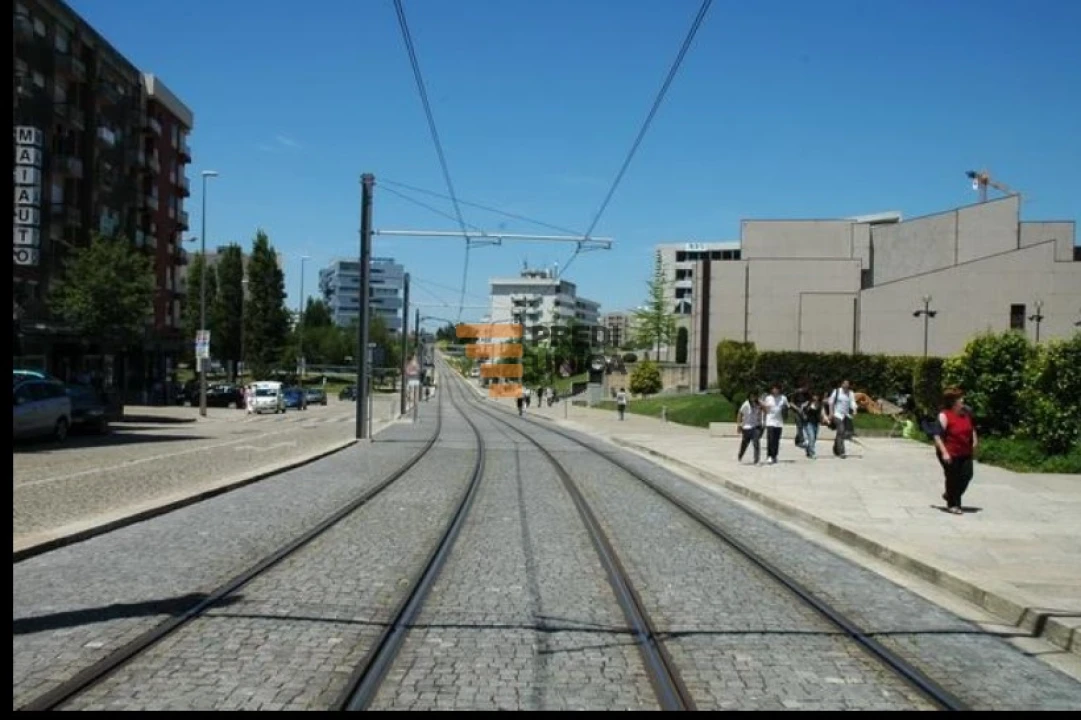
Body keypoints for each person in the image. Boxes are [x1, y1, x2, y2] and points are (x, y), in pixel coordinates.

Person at [932, 388, 978, 515]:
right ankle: (953, 504)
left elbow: (971, 428)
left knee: (967, 475)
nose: (962, 400)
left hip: (965, 451)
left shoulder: (966, 413)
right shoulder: (944, 415)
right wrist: (944, 452)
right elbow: (937, 435)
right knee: (953, 478)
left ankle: (949, 494)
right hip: (949, 452)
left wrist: (974, 439)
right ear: (953, 402)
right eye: (960, 399)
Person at [828, 380, 857, 458]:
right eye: (845, 384)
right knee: (841, 430)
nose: (846, 385)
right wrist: (831, 413)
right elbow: (831, 402)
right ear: (842, 384)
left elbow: (853, 402)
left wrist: (854, 410)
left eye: (847, 384)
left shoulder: (850, 393)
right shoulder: (837, 391)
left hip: (846, 415)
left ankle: (836, 447)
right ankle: (842, 452)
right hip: (837, 415)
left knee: (841, 433)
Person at [762, 384, 789, 464]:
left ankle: (775, 455)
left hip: (779, 422)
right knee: (770, 439)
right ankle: (769, 455)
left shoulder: (783, 398)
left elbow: (787, 407)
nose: (775, 390)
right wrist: (763, 420)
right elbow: (765, 410)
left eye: (776, 389)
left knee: (776, 440)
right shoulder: (768, 398)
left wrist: (785, 410)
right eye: (773, 389)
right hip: (770, 421)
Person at [736, 391, 764, 465]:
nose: (753, 398)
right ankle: (740, 455)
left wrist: (762, 405)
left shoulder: (759, 404)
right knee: (744, 444)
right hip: (746, 427)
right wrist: (739, 425)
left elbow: (766, 411)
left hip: (756, 426)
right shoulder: (746, 404)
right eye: (751, 397)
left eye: (754, 396)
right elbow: (740, 413)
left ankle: (756, 460)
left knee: (756, 443)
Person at [803, 392, 824, 459]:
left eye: (817, 396)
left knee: (814, 439)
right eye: (814, 396)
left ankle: (808, 450)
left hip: (816, 423)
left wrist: (825, 419)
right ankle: (812, 453)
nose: (815, 397)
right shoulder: (808, 403)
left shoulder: (820, 405)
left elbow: (822, 413)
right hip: (809, 423)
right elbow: (803, 410)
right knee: (811, 437)